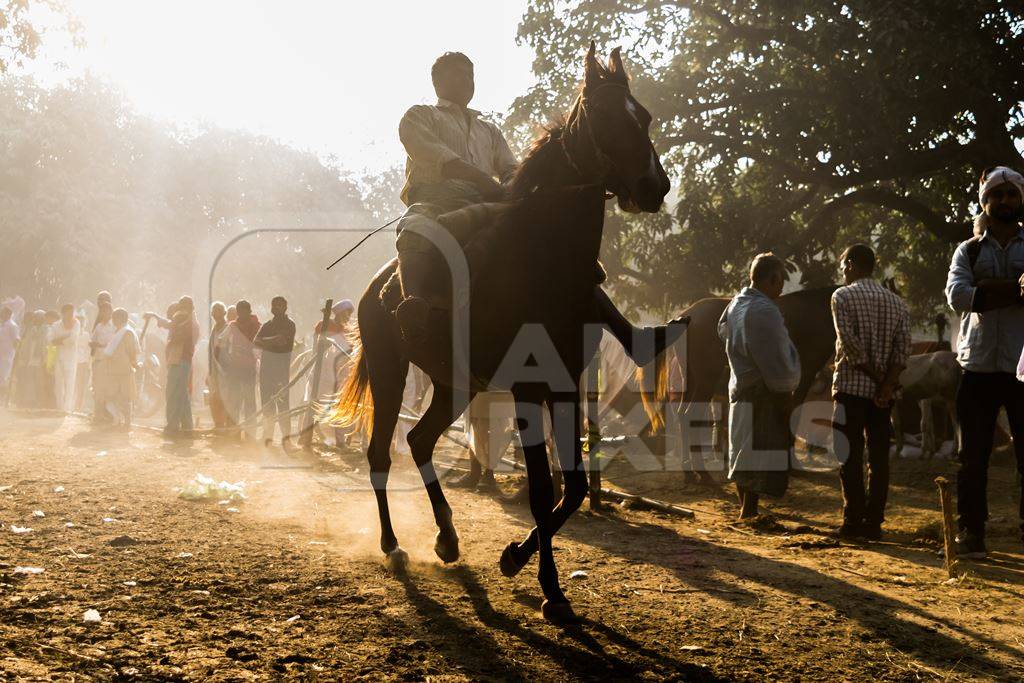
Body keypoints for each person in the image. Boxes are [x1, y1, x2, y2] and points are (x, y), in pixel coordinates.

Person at [393, 51, 684, 361]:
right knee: (415, 225)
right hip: (436, 200)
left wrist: (518, 187)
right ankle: (416, 302)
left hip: (489, 201)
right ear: (437, 82)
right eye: (458, 74)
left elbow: (510, 169)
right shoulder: (419, 116)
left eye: (470, 75)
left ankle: (630, 337)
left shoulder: (487, 129)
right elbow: (436, 156)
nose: (467, 81)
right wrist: (484, 181)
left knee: (558, 255)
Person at [946, 165, 1024, 558]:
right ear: (986, 201)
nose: (1004, 201)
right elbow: (958, 296)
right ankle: (971, 533)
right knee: (971, 458)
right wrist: (1015, 289)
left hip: (1022, 367)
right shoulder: (969, 249)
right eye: (997, 195)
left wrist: (987, 290)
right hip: (976, 366)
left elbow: (972, 293)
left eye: (1011, 195)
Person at [830, 244, 911, 540]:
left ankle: (852, 521)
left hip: (851, 387)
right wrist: (887, 384)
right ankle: (873, 522)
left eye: (843, 266)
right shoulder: (898, 303)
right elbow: (902, 351)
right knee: (878, 458)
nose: (842, 272)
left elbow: (851, 347)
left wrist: (877, 379)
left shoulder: (842, 296)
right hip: (883, 396)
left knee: (848, 455)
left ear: (851, 264)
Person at [718, 253, 801, 520]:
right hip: (760, 387)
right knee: (757, 446)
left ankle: (747, 508)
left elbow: (721, 331)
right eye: (781, 281)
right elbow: (776, 354)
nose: (782, 288)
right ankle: (749, 510)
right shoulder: (765, 310)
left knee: (741, 446)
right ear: (774, 278)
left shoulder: (736, 303)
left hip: (739, 381)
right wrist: (786, 387)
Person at [146, 297, 200, 437]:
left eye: (183, 307)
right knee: (180, 394)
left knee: (174, 393)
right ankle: (185, 427)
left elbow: (176, 332)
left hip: (181, 361)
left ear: (189, 308)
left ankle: (173, 426)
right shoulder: (181, 320)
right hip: (176, 361)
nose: (180, 309)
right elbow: (168, 324)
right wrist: (155, 316)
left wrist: (170, 323)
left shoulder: (190, 323)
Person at [254, 296, 296, 446]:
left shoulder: (290, 325)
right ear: (271, 308)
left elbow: (282, 341)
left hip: (281, 372)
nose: (276, 308)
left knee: (283, 406)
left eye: (280, 305)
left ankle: (287, 440)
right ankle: (268, 437)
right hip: (266, 371)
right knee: (267, 406)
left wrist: (266, 341)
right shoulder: (267, 325)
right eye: (274, 305)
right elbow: (255, 342)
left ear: (285, 307)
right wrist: (272, 340)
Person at [220, 299, 261, 439]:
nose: (241, 314)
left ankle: (247, 433)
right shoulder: (233, 325)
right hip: (238, 369)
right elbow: (220, 342)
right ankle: (236, 433)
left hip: (247, 368)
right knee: (237, 401)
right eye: (239, 312)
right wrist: (226, 362)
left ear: (249, 312)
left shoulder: (256, 326)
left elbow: (260, 347)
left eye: (243, 311)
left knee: (247, 401)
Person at [103, 308, 140, 428]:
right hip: (113, 370)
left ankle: (127, 423)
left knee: (125, 397)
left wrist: (133, 364)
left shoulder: (127, 332)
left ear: (119, 319)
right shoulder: (119, 331)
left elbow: (132, 351)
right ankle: (117, 420)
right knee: (113, 396)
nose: (112, 320)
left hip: (123, 370)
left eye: (114, 318)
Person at [48, 304, 81, 414]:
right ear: (63, 313)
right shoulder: (56, 325)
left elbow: (72, 341)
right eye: (69, 313)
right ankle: (59, 408)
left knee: (70, 384)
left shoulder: (76, 323)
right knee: (58, 384)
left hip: (71, 359)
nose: (71, 315)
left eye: (72, 313)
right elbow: (50, 341)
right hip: (59, 358)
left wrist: (59, 340)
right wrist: (65, 337)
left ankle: (67, 409)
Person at [89, 301, 116, 422]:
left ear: (111, 312)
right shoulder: (99, 326)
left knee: (109, 388)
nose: (105, 313)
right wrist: (94, 345)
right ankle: (98, 414)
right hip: (98, 360)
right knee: (97, 387)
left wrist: (102, 345)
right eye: (102, 311)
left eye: (107, 310)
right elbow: (92, 341)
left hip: (110, 361)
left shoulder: (115, 327)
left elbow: (115, 344)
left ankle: (108, 414)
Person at [208, 302, 231, 429]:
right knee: (214, 398)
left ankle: (227, 425)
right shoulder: (214, 329)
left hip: (225, 371)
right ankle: (218, 424)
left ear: (224, 313)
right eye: (214, 311)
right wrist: (210, 373)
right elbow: (211, 353)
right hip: (215, 371)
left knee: (226, 398)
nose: (215, 314)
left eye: (218, 311)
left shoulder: (228, 328)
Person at [0, 307, 19, 404]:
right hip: (1, 354)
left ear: (8, 314)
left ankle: (4, 400)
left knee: (4, 377)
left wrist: (16, 355)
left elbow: (16, 341)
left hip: (7, 356)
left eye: (2, 313)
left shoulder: (12, 325)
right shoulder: (2, 325)